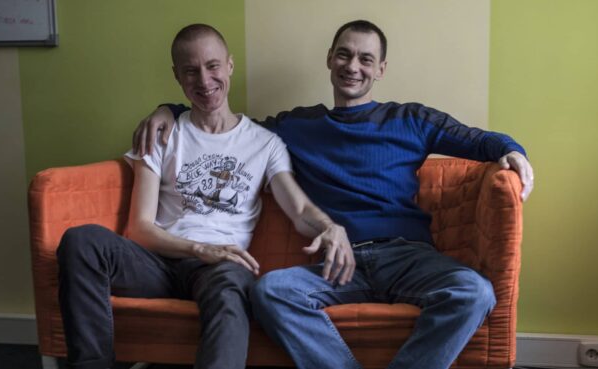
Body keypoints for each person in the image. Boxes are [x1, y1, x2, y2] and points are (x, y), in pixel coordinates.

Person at [133, 19, 534, 369]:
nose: (352, 67)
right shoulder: (295, 127)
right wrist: (166, 109)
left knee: (475, 292)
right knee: (270, 292)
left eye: (364, 59)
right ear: (329, 59)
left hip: (407, 255)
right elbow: (225, 123)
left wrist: (512, 151)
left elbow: (478, 140)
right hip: (337, 264)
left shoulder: (410, 119)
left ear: (381, 68)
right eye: (344, 55)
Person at [57, 24, 350, 369]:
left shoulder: (265, 143)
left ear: (230, 66)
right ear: (177, 77)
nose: (204, 80)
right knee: (81, 240)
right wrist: (197, 249)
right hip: (157, 263)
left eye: (212, 66)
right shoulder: (163, 134)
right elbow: (139, 229)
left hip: (221, 269)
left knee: (230, 286)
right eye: (191, 71)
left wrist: (330, 227)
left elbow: (299, 209)